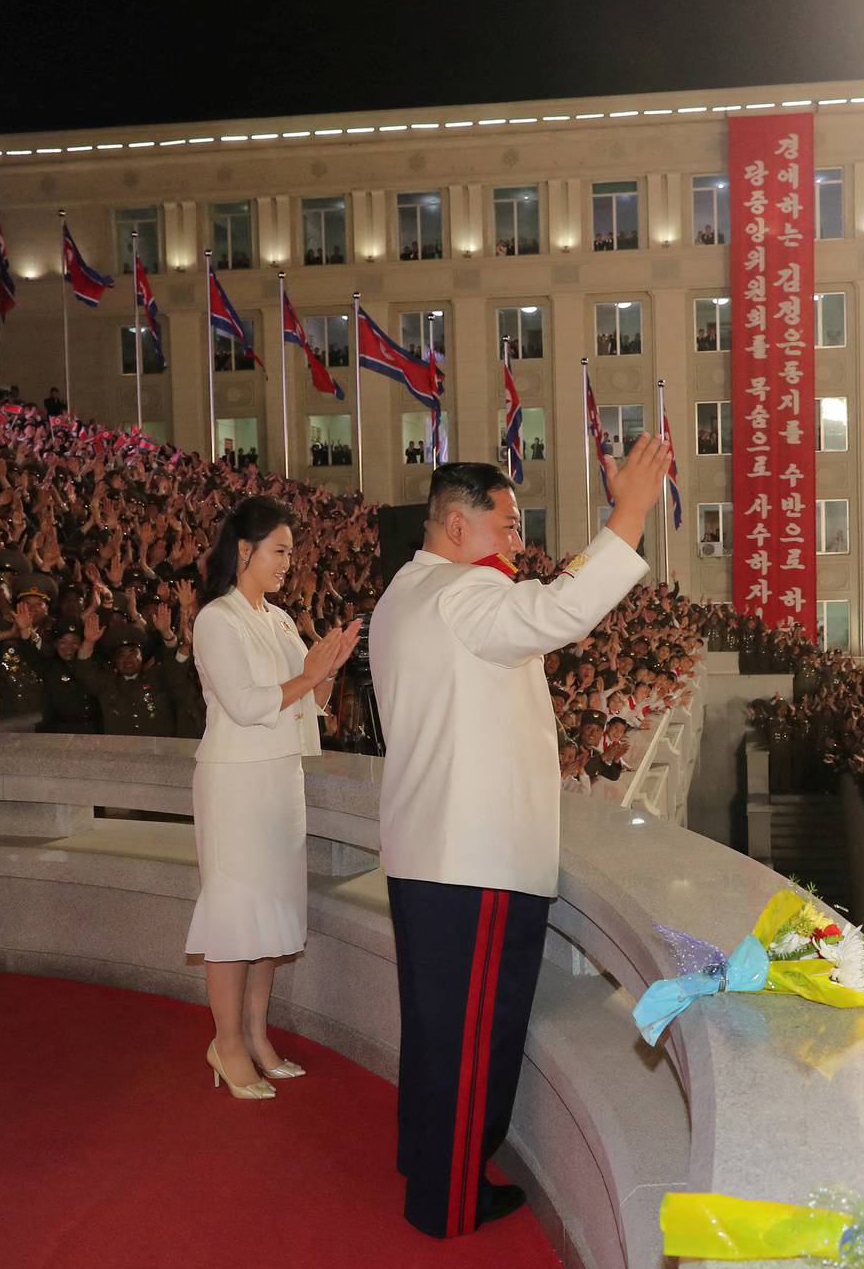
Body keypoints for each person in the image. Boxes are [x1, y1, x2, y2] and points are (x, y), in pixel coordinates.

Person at [369, 435, 669, 1239]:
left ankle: (428, 1164)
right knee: (473, 1039)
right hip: (477, 858)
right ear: (457, 527)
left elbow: (531, 604)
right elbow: (554, 612)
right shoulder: (462, 596)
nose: (518, 542)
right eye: (506, 526)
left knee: (436, 1028)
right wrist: (629, 514)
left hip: (431, 850)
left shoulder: (408, 591)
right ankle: (451, 1199)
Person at [184, 496, 361, 1101]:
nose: (289, 562)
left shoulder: (280, 618)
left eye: (290, 552)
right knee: (236, 916)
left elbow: (305, 702)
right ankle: (225, 1044)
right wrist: (311, 674)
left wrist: (330, 666)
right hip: (235, 781)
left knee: (270, 918)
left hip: (280, 780)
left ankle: (257, 1036)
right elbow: (246, 702)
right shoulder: (217, 619)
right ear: (245, 551)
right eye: (280, 551)